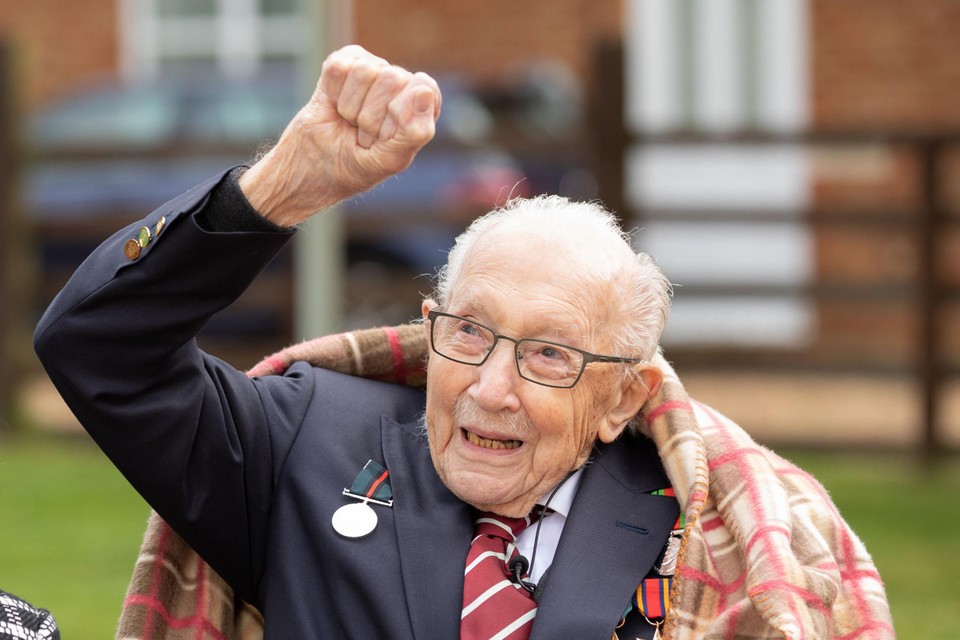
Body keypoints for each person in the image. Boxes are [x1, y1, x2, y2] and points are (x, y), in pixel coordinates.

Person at [34, 45, 894, 640]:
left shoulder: (708, 525)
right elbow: (99, 346)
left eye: (549, 354)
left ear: (622, 399)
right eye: (472, 333)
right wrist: (285, 185)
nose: (490, 388)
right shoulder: (302, 439)